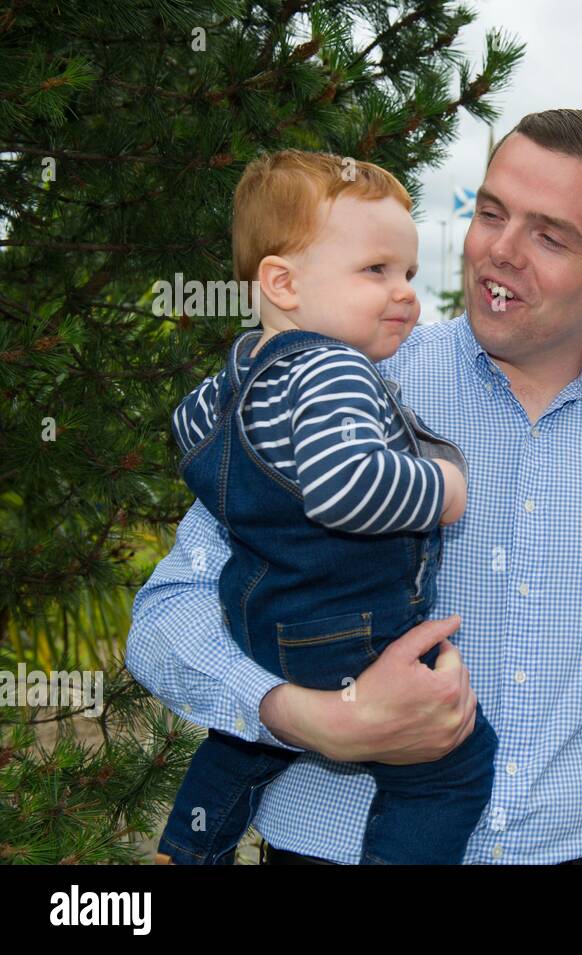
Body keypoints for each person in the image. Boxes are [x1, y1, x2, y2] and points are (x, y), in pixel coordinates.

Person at [128, 109, 582, 865]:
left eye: (549, 234)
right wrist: (310, 716)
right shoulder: (342, 383)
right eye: (491, 213)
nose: (499, 252)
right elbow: (166, 616)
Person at [150, 150, 495, 864]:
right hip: (351, 630)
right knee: (454, 769)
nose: (406, 293)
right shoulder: (337, 365)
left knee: (245, 740)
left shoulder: (234, 379)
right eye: (376, 271)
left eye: (407, 272)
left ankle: (190, 842)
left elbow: (191, 436)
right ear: (281, 281)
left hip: (259, 622)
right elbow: (346, 488)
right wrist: (445, 489)